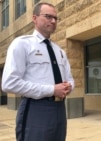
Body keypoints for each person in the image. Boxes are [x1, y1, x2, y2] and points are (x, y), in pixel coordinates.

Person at [1, 2, 74, 141]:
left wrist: (68, 86)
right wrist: (52, 90)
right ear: (34, 18)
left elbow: (70, 78)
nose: (53, 21)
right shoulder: (22, 44)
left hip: (59, 109)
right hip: (36, 108)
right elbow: (9, 83)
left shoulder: (59, 51)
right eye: (48, 16)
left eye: (55, 18)